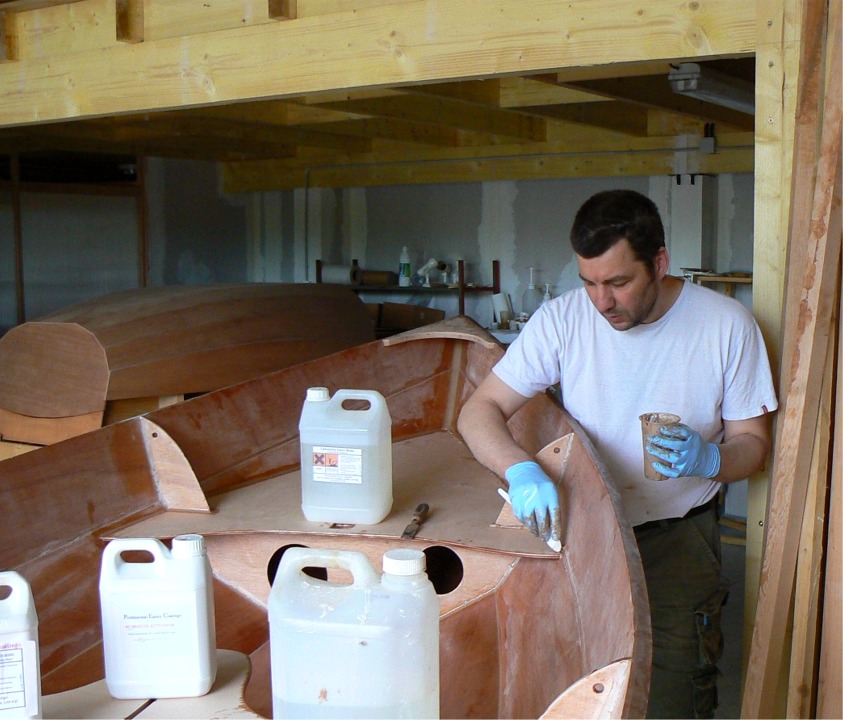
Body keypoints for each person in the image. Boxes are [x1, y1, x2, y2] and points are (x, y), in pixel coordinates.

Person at [457, 188, 778, 719]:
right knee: (580, 684)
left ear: (659, 263)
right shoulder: (562, 321)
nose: (602, 302)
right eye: (589, 283)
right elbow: (479, 410)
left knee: (677, 689)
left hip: (679, 539)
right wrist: (519, 469)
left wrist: (710, 459)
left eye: (619, 283)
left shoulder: (726, 326)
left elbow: (755, 446)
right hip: (584, 532)